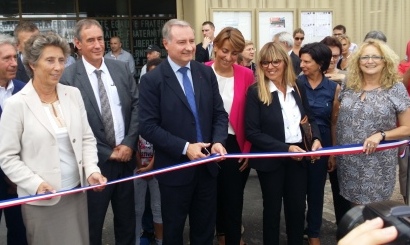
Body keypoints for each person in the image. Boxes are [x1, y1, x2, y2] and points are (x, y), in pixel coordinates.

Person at [0, 32, 107, 244]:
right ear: (32, 64)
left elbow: (86, 139)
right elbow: (7, 157)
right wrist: (36, 184)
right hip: (41, 200)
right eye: (50, 60)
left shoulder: (73, 94)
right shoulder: (17, 104)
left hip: (77, 193)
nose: (58, 67)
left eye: (61, 60)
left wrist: (92, 170)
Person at [139, 19, 229, 244]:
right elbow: (148, 126)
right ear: (166, 44)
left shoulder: (205, 73)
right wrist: (185, 147)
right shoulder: (152, 80)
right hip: (174, 170)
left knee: (204, 231)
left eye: (191, 40)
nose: (189, 47)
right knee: (173, 232)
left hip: (207, 168)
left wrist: (218, 141)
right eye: (182, 42)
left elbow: (219, 114)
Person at [60, 19, 139, 245]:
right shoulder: (68, 78)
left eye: (100, 39)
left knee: (127, 222)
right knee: (91, 225)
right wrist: (107, 152)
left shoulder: (120, 68)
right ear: (78, 44)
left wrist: (129, 144)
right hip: (94, 164)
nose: (97, 45)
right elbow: (72, 125)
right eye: (90, 40)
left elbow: (137, 106)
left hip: (125, 159)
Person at [245, 42, 322, 245]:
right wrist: (286, 148)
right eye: (265, 62)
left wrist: (316, 139)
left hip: (298, 157)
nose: (270, 67)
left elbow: (310, 118)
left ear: (285, 62)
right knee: (272, 210)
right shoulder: (255, 92)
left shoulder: (298, 86)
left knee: (297, 209)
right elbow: (252, 132)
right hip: (272, 159)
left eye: (276, 61)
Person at [336, 39, 410, 207]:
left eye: (376, 57)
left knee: (373, 209)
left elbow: (408, 128)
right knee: (352, 207)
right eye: (365, 57)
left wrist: (381, 135)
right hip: (348, 160)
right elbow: (337, 117)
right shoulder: (348, 84)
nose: (370, 61)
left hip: (377, 162)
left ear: (385, 61)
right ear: (357, 61)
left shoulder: (395, 88)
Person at [205, 27, 254, 245]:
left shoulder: (246, 74)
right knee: (209, 198)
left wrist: (248, 149)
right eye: (225, 50)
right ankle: (219, 236)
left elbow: (252, 115)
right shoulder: (201, 71)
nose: (228, 57)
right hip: (207, 144)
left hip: (236, 144)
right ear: (215, 47)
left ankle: (233, 239)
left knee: (233, 200)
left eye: (234, 53)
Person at [298, 42, 340, 245]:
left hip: (322, 144)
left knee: (316, 191)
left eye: (307, 61)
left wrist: (331, 153)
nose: (302, 65)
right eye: (301, 60)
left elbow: (333, 122)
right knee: (296, 192)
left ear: (320, 63)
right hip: (298, 143)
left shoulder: (333, 88)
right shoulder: (295, 84)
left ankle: (313, 233)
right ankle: (296, 230)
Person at [319, 36, 352, 225]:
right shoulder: (305, 77)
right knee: (313, 188)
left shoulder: (349, 79)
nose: (332, 59)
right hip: (317, 139)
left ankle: (344, 226)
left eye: (336, 56)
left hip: (342, 141)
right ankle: (312, 226)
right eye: (328, 55)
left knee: (340, 188)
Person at [0, 34, 28, 245]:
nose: (13, 63)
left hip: (19, 181)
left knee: (19, 233)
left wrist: (17, 175)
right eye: (7, 58)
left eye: (14, 57)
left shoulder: (23, 89)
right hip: (4, 178)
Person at [134, 57, 163, 245]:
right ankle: (137, 239)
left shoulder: (167, 104)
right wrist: (140, 163)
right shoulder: (137, 104)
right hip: (138, 165)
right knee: (136, 208)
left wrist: (153, 164)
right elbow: (132, 134)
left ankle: (160, 240)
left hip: (159, 165)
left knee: (158, 207)